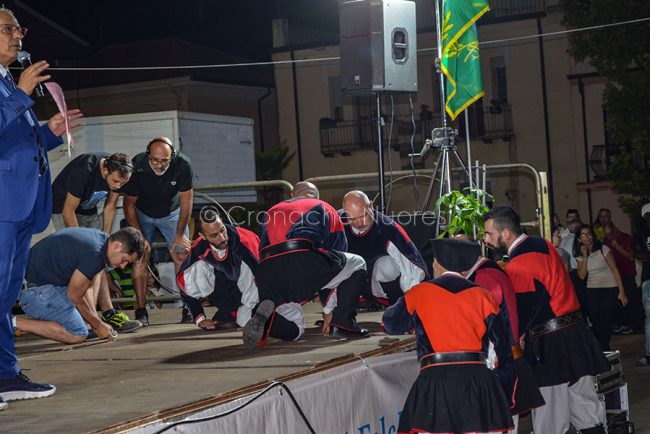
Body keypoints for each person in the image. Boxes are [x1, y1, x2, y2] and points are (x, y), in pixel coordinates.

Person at [0, 6, 84, 410]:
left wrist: (48, 134)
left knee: (5, 296)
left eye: (19, 28)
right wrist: (20, 94)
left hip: (19, 208)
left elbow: (13, 145)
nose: (18, 36)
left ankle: (5, 375)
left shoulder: (6, 83)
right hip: (1, 207)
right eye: (8, 28)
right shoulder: (11, 88)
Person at [483, 206, 610, 434]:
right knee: (585, 405)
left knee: (549, 415)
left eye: (489, 234)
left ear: (505, 234)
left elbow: (524, 310)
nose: (485, 240)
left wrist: (511, 339)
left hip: (551, 343)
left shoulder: (520, 264)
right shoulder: (543, 244)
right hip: (573, 333)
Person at [383, 238, 514, 434]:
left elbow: (391, 323)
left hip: (436, 381)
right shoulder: (483, 296)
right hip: (478, 382)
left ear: (437, 264)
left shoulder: (419, 293)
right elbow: (501, 347)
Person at [244, 181, 369, 349]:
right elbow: (336, 260)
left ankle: (265, 318)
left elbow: (263, 250)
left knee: (294, 330)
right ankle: (344, 323)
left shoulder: (270, 212)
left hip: (268, 272)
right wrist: (328, 310)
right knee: (357, 263)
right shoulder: (323, 206)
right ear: (317, 196)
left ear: (293, 196)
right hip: (303, 259)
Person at [462, 239, 545, 431]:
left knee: (499, 425)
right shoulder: (489, 272)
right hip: (509, 356)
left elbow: (487, 327)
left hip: (500, 362)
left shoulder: (484, 278)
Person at [17, 227, 144, 345]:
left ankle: (88, 323)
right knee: (78, 334)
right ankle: (12, 323)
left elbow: (80, 289)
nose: (123, 266)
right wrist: (98, 324)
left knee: (97, 274)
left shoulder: (101, 240)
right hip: (34, 292)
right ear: (117, 246)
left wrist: (94, 321)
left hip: (35, 283)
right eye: (125, 260)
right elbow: (74, 296)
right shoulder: (93, 254)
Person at [123, 136, 193, 326]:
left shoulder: (183, 165)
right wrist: (140, 238)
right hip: (142, 213)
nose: (159, 165)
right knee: (140, 257)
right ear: (148, 156)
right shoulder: (137, 165)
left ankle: (189, 307)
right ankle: (141, 311)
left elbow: (187, 203)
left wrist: (179, 236)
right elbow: (128, 205)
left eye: (165, 161)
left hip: (172, 212)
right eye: (155, 160)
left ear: (173, 157)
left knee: (182, 255)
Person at [177, 208, 260, 330]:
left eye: (222, 230)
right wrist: (199, 318)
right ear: (202, 236)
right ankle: (231, 311)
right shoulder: (199, 249)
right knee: (197, 267)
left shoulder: (245, 241)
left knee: (245, 322)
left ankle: (252, 311)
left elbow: (263, 276)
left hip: (252, 289)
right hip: (226, 290)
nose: (222, 238)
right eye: (214, 235)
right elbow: (185, 284)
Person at [341, 190, 427, 307]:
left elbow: (412, 268)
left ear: (371, 206)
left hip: (386, 286)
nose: (359, 223)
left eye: (363, 216)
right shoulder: (339, 224)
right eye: (352, 219)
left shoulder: (388, 229)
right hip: (356, 281)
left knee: (387, 266)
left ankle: (396, 304)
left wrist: (409, 305)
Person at [574, 224, 628, 350]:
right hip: (592, 288)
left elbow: (615, 269)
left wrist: (622, 291)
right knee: (594, 318)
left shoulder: (603, 249)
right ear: (579, 239)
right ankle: (601, 346)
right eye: (583, 235)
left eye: (588, 233)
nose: (587, 237)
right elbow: (581, 276)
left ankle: (604, 347)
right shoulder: (580, 254)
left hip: (609, 287)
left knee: (605, 319)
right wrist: (585, 257)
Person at [51, 152, 133, 232]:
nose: (118, 186)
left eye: (123, 183)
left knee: (96, 239)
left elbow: (111, 204)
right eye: (115, 181)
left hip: (86, 205)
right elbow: (68, 210)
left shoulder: (120, 174)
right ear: (105, 170)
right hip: (62, 206)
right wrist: (78, 241)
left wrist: (106, 235)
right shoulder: (84, 169)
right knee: (70, 241)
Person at [603, 221, 639, 334]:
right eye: (606, 235)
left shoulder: (625, 238)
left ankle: (631, 325)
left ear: (615, 230)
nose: (608, 237)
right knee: (616, 300)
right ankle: (619, 323)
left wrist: (617, 246)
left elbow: (631, 257)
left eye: (610, 234)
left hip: (627, 273)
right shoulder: (605, 241)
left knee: (629, 298)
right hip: (614, 275)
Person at [634, 203, 650, 366]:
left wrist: (647, 254)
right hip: (648, 279)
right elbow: (638, 254)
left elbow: (644, 254)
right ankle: (649, 353)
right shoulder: (640, 234)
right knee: (649, 319)